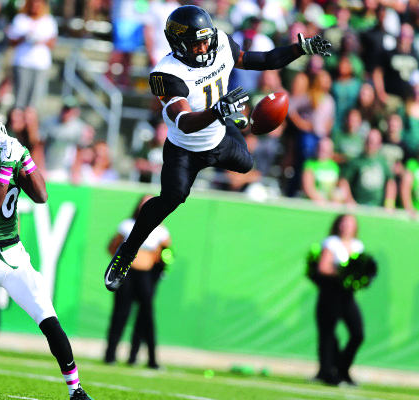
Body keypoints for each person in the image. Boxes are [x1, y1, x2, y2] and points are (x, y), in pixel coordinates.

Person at [104, 4, 332, 291]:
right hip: (185, 148)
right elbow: (185, 122)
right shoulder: (166, 73)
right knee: (171, 198)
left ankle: (233, 120)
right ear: (178, 44)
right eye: (195, 43)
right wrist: (217, 111)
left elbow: (259, 60)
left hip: (219, 134)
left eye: (205, 40)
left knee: (247, 164)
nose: (203, 47)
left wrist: (301, 49)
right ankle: (127, 251)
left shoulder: (220, 42)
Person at [0, 105, 93, 400]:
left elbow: (41, 196)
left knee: (49, 322)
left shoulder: (7, 154)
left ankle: (76, 390)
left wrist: (27, 160)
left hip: (15, 256)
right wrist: (8, 168)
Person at [104, 195, 171, 369]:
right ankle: (110, 354)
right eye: (144, 203)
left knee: (146, 316)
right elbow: (113, 247)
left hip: (148, 275)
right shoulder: (127, 225)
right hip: (127, 273)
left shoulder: (161, 231)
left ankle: (145, 358)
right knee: (121, 313)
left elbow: (168, 253)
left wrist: (162, 266)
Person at [313, 214, 366, 386]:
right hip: (331, 293)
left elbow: (361, 270)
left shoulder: (358, 246)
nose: (347, 227)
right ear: (338, 225)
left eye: (351, 223)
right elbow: (323, 267)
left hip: (347, 295)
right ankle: (326, 372)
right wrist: (342, 273)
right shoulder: (332, 243)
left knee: (357, 334)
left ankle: (342, 369)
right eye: (344, 223)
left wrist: (359, 277)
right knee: (328, 333)